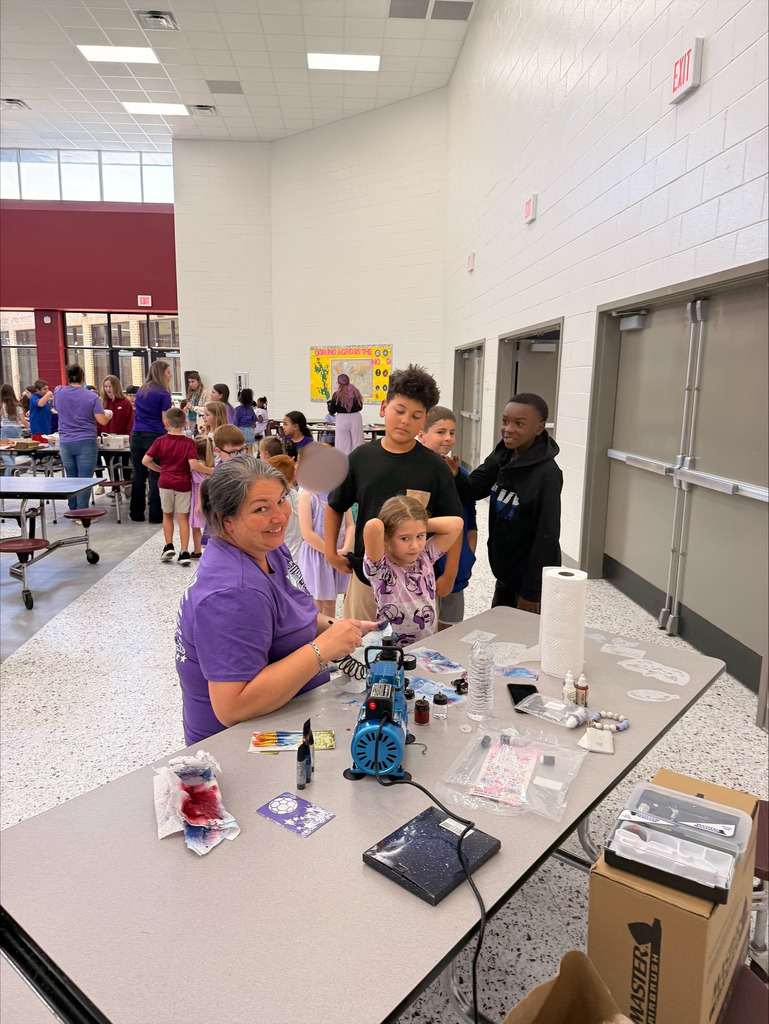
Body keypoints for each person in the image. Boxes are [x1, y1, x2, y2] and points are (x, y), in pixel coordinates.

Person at [174, 457, 377, 745]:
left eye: (282, 500)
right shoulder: (233, 594)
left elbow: (288, 614)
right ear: (225, 520)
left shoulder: (266, 548)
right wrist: (323, 649)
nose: (280, 516)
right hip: (245, 742)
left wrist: (338, 627)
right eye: (261, 509)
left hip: (286, 711)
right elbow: (232, 708)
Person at [325, 363, 462, 622]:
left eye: (416, 415)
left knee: (414, 651)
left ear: (424, 420)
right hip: (366, 580)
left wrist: (450, 573)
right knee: (359, 646)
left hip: (416, 584)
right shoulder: (360, 459)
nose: (405, 421)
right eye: (399, 411)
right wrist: (331, 552)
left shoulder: (434, 467)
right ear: (384, 408)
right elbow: (335, 506)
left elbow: (454, 521)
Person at [449, 393, 563, 613]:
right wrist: (456, 475)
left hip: (530, 580)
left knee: (524, 639)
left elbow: (546, 536)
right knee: (499, 631)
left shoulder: (547, 474)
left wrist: (532, 592)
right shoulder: (503, 455)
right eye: (505, 421)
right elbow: (475, 488)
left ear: (539, 428)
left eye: (519, 424)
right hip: (505, 574)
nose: (508, 429)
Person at [363, 496, 462, 648]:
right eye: (404, 538)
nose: (415, 546)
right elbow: (373, 527)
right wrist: (403, 525)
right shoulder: (379, 568)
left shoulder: (426, 556)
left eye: (420, 536)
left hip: (426, 643)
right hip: (392, 649)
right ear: (386, 538)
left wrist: (416, 524)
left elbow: (456, 524)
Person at [418, 406, 478, 630]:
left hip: (456, 565)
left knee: (448, 626)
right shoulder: (414, 470)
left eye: (452, 432)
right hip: (422, 563)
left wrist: (468, 553)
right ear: (422, 433)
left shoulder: (460, 473)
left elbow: (470, 517)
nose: (448, 438)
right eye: (440, 432)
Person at [142, 407, 198, 565]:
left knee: (167, 514)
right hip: (183, 483)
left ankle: (168, 546)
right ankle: (184, 552)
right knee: (183, 518)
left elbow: (145, 461)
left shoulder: (160, 441)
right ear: (185, 423)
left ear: (165, 422)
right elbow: (193, 463)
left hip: (165, 482)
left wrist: (161, 470)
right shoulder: (189, 442)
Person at [52, 365, 112, 507]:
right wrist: (108, 415)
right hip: (85, 441)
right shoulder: (91, 396)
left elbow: (56, 408)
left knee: (71, 478)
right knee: (84, 479)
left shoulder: (59, 393)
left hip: (65, 442)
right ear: (83, 378)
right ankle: (82, 513)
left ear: (67, 378)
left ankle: (73, 510)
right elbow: (102, 420)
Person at [297, 485, 354, 618]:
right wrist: (330, 551)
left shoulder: (341, 495)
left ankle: (331, 633)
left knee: (330, 603)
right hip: (317, 556)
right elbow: (307, 533)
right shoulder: (307, 496)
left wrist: (345, 548)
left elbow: (350, 525)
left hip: (338, 554)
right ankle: (318, 635)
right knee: (317, 602)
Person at [129, 360, 172, 523]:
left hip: (136, 435)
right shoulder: (163, 393)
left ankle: (136, 513)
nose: (170, 376)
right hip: (154, 435)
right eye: (168, 372)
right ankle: (155, 515)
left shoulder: (141, 391)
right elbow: (165, 420)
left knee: (139, 475)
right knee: (156, 474)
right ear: (161, 374)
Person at [265, 453, 302, 562]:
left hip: (281, 555)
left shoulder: (272, 504)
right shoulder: (300, 497)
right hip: (299, 555)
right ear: (294, 477)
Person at [189, 435, 214, 558]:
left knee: (196, 526)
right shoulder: (208, 464)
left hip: (197, 497)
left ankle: (197, 550)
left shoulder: (198, 465)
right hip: (205, 498)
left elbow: (200, 484)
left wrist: (199, 503)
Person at [327, 373, 364, 454]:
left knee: (342, 443)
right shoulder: (356, 392)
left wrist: (329, 405)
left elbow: (332, 411)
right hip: (356, 417)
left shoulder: (336, 394)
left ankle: (344, 461)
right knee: (358, 441)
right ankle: (358, 459)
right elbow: (360, 407)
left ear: (338, 383)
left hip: (342, 418)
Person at [1, 384, 30, 476]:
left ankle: (11, 468)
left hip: (5, 429)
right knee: (13, 451)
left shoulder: (1, 405)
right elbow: (22, 420)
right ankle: (11, 473)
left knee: (4, 451)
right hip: (17, 429)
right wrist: (28, 425)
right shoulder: (18, 406)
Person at [234, 388, 257, 453]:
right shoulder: (251, 409)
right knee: (250, 451)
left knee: (239, 450)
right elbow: (254, 421)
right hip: (250, 430)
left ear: (239, 399)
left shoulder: (237, 409)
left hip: (240, 430)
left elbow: (235, 423)